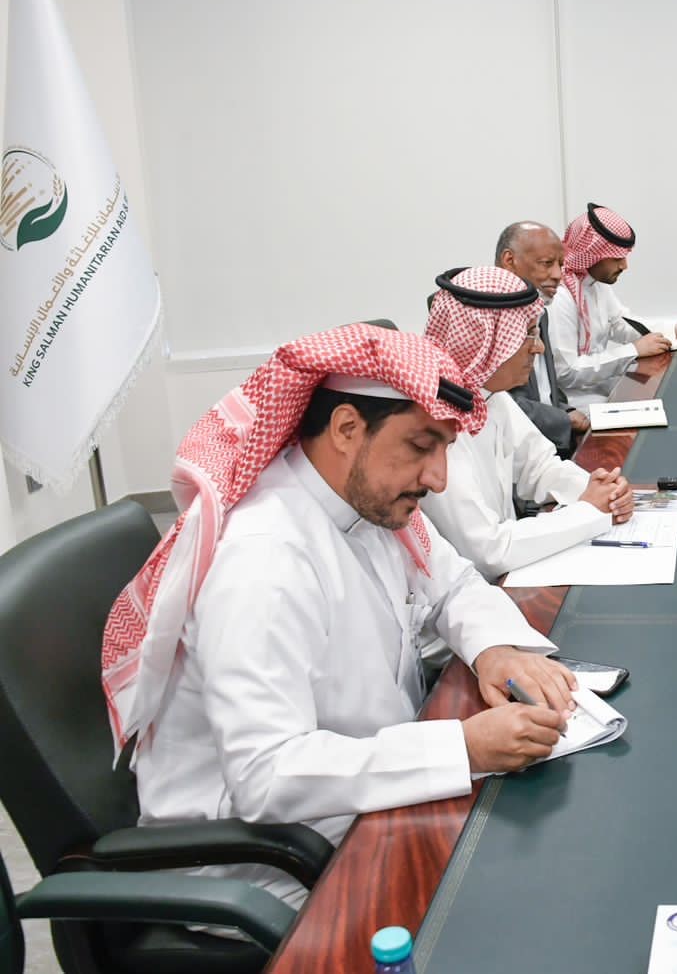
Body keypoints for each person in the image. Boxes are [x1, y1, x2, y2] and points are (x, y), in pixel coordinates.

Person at [102, 324, 580, 908]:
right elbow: (266, 776)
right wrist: (462, 748)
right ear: (348, 429)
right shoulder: (263, 560)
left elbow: (453, 584)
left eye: (445, 450)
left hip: (366, 801)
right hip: (274, 864)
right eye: (421, 446)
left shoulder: (366, 500)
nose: (438, 479)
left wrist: (494, 650)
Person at [422, 265, 631, 579]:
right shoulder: (433, 422)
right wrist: (589, 511)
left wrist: (597, 490)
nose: (539, 347)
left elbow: (540, 466)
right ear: (485, 341)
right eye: (528, 334)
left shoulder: (490, 395)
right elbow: (488, 551)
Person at [547, 202, 677, 407]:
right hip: (576, 401)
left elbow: (621, 324)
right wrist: (633, 350)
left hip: (602, 386)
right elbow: (567, 372)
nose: (624, 265)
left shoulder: (594, 283)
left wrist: (673, 330)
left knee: (672, 393)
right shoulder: (560, 297)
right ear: (592, 255)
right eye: (616, 258)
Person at [494, 220, 589, 456]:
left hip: (552, 443)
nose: (558, 275)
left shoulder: (539, 311)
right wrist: (563, 420)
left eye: (560, 265)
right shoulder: (489, 319)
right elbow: (494, 402)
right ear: (509, 261)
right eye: (546, 263)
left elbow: (546, 388)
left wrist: (565, 411)